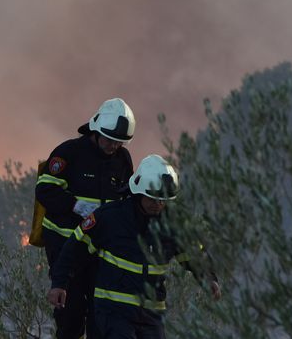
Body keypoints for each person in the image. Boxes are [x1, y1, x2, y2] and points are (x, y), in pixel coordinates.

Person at [46, 154, 221, 339]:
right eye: (153, 199)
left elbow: (194, 254)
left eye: (163, 200)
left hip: (152, 314)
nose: (158, 204)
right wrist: (59, 284)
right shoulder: (110, 217)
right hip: (113, 310)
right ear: (139, 192)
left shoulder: (174, 225)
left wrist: (209, 279)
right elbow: (74, 249)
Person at [36, 98, 136, 339]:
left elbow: (128, 197)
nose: (114, 146)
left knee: (100, 314)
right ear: (96, 130)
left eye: (119, 141)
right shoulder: (68, 153)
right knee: (70, 317)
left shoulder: (122, 159)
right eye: (110, 139)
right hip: (65, 245)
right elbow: (45, 190)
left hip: (100, 248)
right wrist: (76, 205)